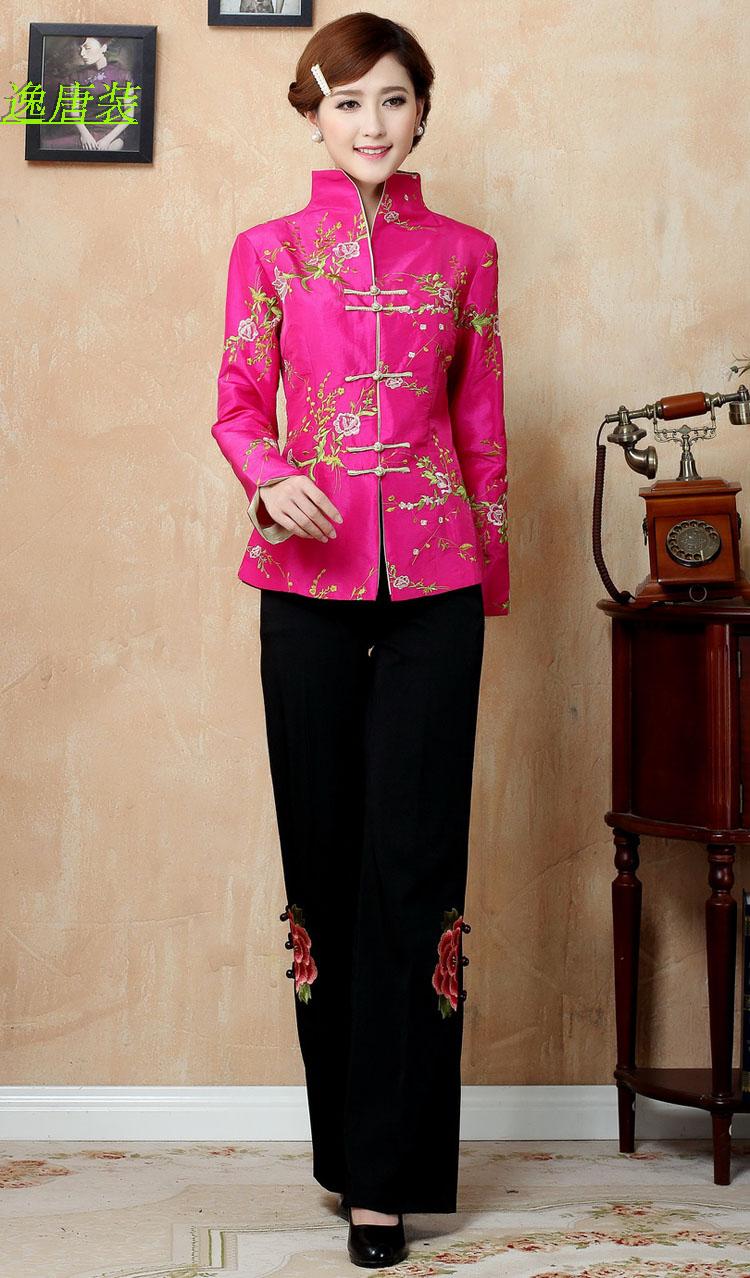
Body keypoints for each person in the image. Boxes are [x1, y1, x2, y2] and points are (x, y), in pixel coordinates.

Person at [210, 11, 509, 1269]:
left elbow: (482, 425)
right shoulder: (269, 251)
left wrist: (489, 579)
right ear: (313, 116)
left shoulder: (467, 255)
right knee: (324, 868)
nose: (371, 123)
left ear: (421, 112)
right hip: (307, 584)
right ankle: (344, 1153)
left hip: (436, 587)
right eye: (346, 102)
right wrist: (269, 476)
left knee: (414, 870)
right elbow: (236, 402)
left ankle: (388, 1182)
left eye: (392, 99)